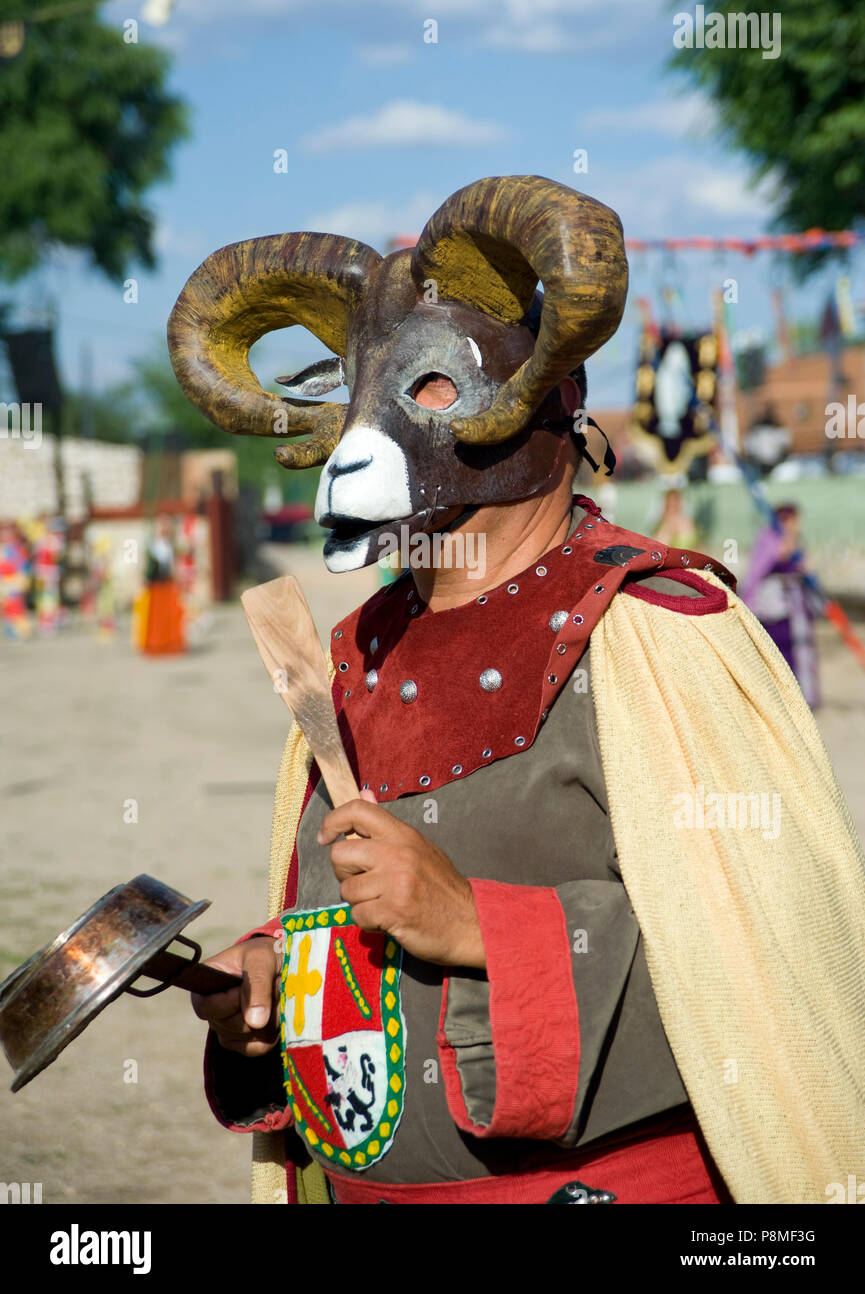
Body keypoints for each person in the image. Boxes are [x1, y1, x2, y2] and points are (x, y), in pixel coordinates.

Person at [168, 176, 865, 1205]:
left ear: (550, 396)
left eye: (435, 388)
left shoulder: (656, 630)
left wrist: (475, 924)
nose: (376, 429)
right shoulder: (355, 650)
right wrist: (277, 969)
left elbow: (767, 958)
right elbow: (345, 921)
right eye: (358, 389)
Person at [741, 503, 820, 708]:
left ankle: (801, 698)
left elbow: (802, 567)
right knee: (776, 652)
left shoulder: (793, 540)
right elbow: (762, 567)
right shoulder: (770, 538)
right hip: (773, 606)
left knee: (799, 652)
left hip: (795, 607)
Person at [134, 514, 186, 657]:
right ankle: (155, 644)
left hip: (167, 585)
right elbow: (144, 565)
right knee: (155, 618)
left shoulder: (171, 545)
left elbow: (174, 565)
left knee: (170, 616)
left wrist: (178, 579)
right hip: (155, 586)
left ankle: (170, 643)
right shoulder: (151, 545)